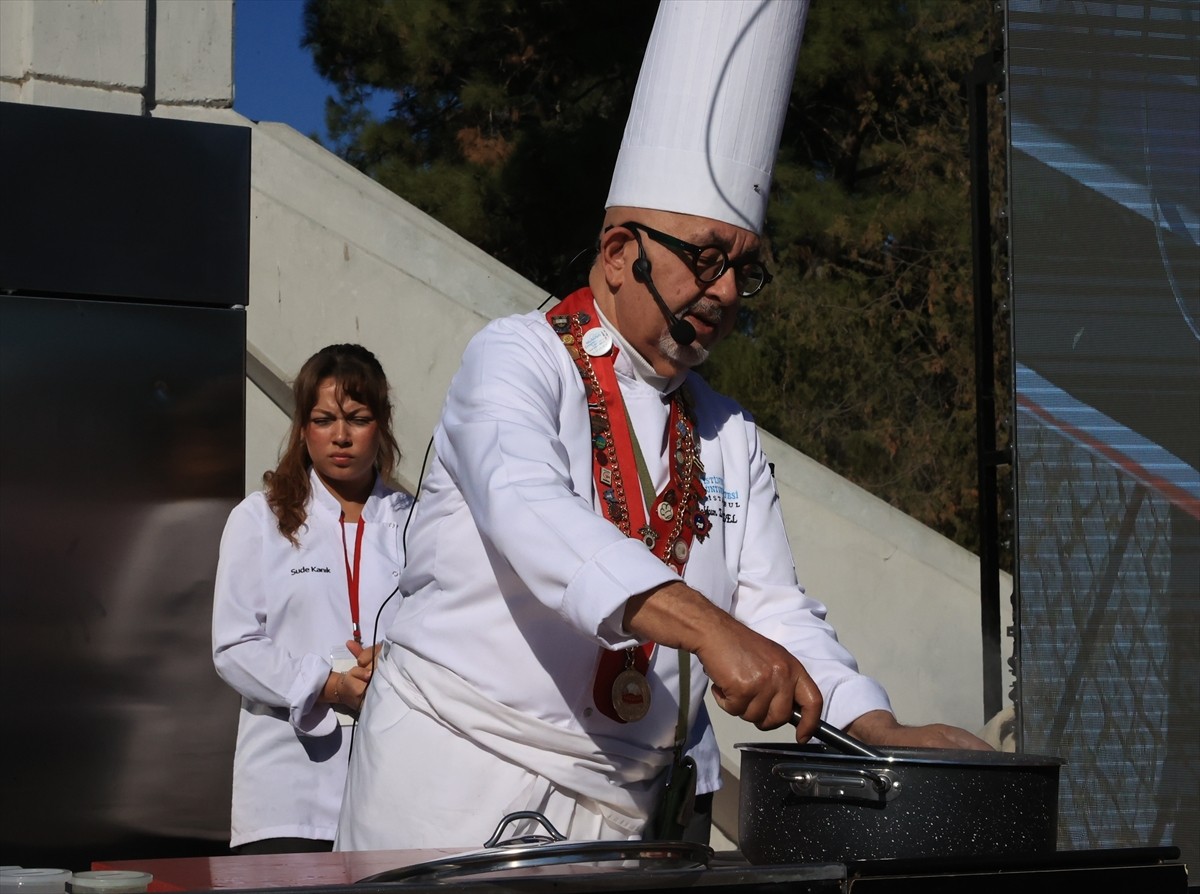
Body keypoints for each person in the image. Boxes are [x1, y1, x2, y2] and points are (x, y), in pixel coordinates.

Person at [336, 0, 988, 851]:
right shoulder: (515, 357)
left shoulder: (725, 429)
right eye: (703, 258)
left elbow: (773, 604)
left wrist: (874, 725)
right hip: (455, 786)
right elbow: (531, 513)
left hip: (631, 813)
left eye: (743, 269)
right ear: (616, 253)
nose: (722, 292)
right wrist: (711, 631)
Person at [212, 343, 412, 854]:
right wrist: (327, 685)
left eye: (358, 418)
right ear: (303, 428)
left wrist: (393, 665)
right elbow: (233, 646)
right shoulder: (261, 518)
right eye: (324, 419)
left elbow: (448, 632)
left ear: (382, 424)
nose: (340, 436)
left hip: (395, 787)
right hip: (286, 792)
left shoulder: (417, 522)